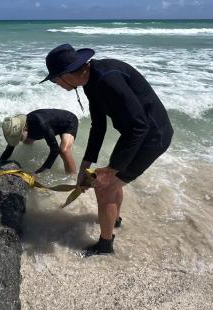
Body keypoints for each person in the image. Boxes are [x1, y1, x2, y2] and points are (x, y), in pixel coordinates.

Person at [41, 44, 174, 256]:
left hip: (151, 137)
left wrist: (112, 170)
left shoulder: (107, 79)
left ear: (66, 75)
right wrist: (86, 165)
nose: (56, 84)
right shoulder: (90, 81)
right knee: (108, 181)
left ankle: (105, 245)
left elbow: (140, 125)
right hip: (133, 136)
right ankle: (115, 219)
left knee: (105, 186)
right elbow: (98, 125)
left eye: (55, 79)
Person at [0, 109, 78, 174]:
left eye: (18, 137)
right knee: (26, 141)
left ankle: (73, 178)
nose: (18, 140)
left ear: (24, 129)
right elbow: (8, 150)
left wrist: (39, 171)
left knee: (63, 150)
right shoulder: (16, 128)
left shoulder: (41, 124)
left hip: (68, 122)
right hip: (49, 126)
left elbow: (55, 150)